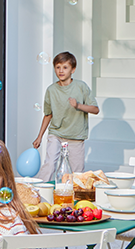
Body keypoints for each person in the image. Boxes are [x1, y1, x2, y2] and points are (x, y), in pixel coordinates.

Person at [33, 51, 99, 180]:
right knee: (50, 164)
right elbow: (48, 115)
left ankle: (76, 197)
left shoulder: (81, 87)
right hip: (56, 134)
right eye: (58, 67)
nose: (61, 71)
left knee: (77, 172)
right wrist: (39, 136)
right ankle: (39, 192)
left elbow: (95, 109)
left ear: (73, 69)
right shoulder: (51, 90)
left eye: (65, 67)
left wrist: (78, 106)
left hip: (76, 136)